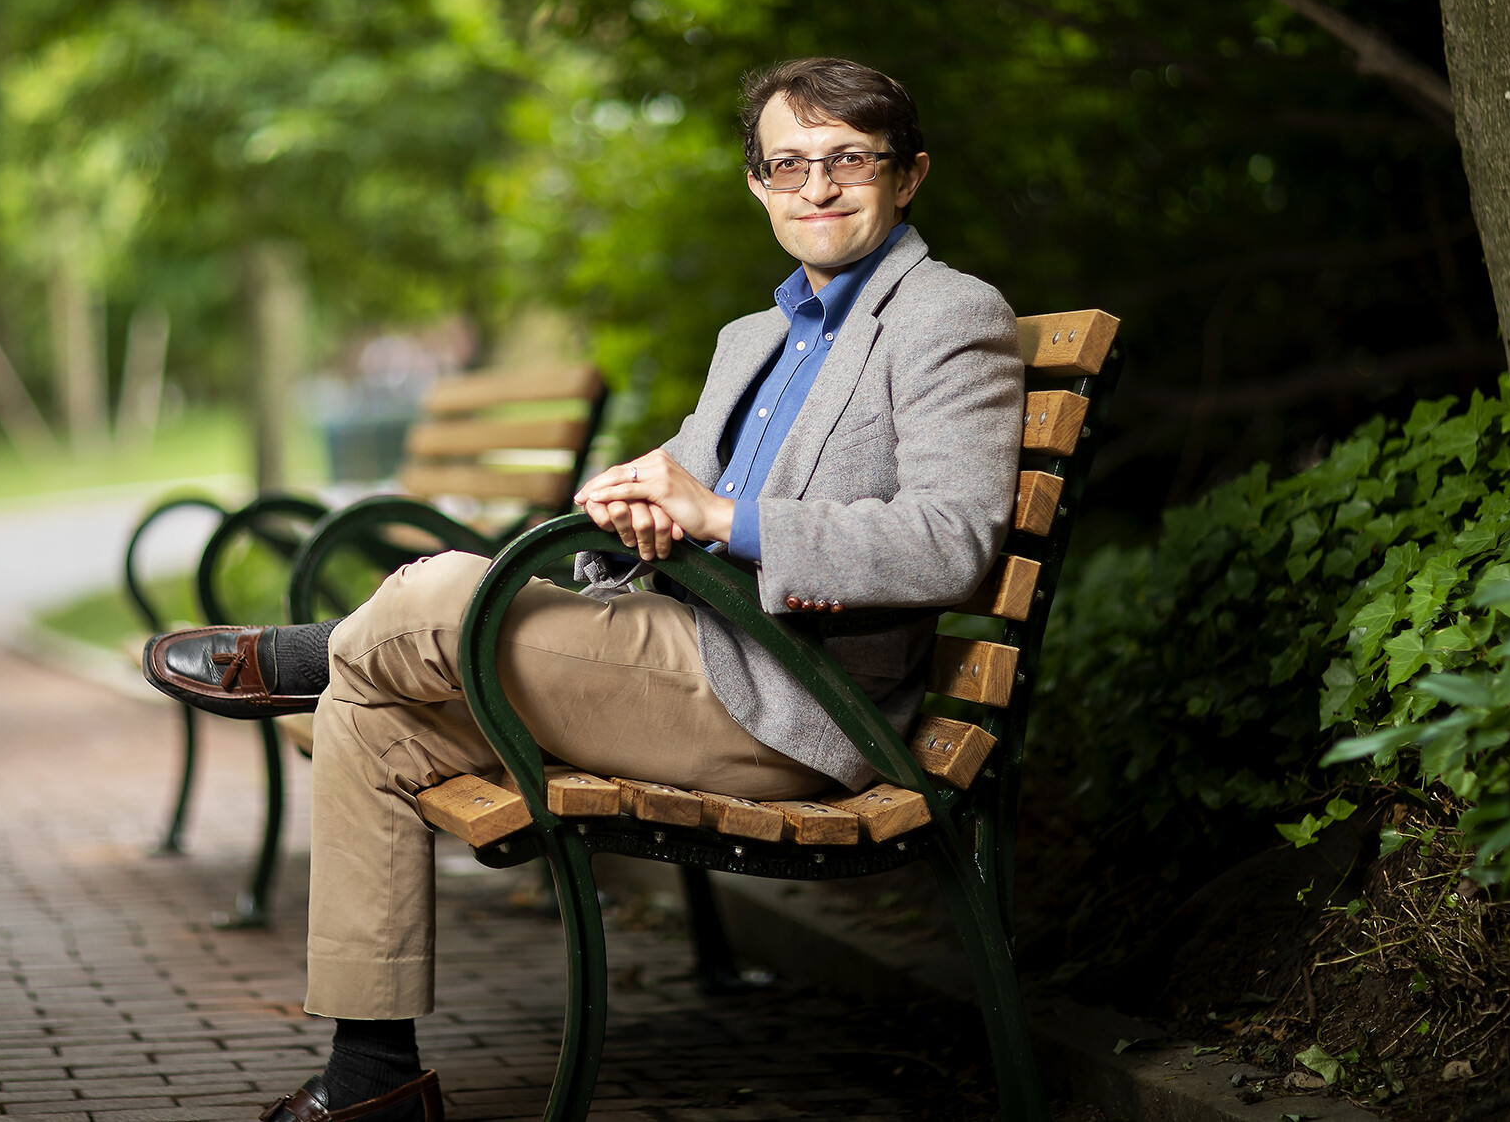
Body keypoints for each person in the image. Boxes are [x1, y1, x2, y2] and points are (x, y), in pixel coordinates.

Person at [140, 56, 1025, 1122]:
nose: (816, 187)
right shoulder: (751, 338)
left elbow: (953, 542)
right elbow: (677, 509)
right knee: (366, 715)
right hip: (673, 647)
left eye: (848, 160)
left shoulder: (945, 315)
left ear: (907, 173)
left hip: (794, 701)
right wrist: (633, 514)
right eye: (787, 163)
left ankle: (289, 656)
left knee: (445, 594)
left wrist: (718, 517)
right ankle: (372, 1087)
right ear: (755, 183)